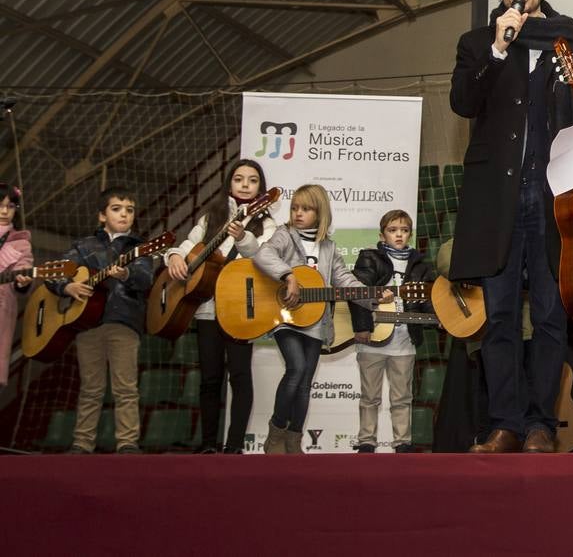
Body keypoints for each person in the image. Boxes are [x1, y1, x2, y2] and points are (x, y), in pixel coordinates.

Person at [449, 0, 573, 453]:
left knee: (548, 315)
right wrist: (499, 50)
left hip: (555, 204)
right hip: (496, 205)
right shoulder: (479, 43)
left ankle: (541, 424)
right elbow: (462, 102)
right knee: (497, 317)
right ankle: (505, 424)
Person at [251, 184, 387, 454]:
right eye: (295, 208)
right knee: (296, 369)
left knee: (304, 383)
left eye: (306, 209)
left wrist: (372, 297)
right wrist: (288, 275)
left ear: (320, 212)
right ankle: (276, 432)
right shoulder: (284, 235)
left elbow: (345, 281)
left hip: (315, 321)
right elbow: (262, 254)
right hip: (285, 319)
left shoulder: (328, 247)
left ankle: (294, 439)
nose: (298, 213)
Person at [162, 159, 275, 453]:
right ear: (229, 184)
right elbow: (189, 244)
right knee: (210, 377)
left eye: (252, 180)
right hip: (207, 307)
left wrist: (245, 238)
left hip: (241, 308)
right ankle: (208, 444)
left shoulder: (268, 223)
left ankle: (235, 446)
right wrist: (174, 255)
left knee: (239, 374)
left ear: (261, 189)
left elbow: (264, 258)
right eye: (239, 179)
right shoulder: (211, 216)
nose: (245, 185)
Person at [49, 186, 151, 453]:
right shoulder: (84, 247)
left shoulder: (138, 247)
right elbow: (54, 273)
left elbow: (145, 279)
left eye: (129, 210)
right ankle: (82, 443)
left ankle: (127, 443)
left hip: (124, 322)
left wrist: (126, 275)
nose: (124, 215)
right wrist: (67, 287)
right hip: (88, 324)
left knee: (125, 386)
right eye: (116, 209)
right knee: (91, 387)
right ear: (102, 216)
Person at [347, 209, 435, 454]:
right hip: (372, 340)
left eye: (404, 230)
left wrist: (436, 318)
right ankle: (366, 441)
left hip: (404, 341)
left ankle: (402, 442)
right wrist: (363, 326)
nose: (399, 235)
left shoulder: (420, 265)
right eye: (393, 230)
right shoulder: (369, 258)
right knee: (369, 396)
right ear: (382, 234)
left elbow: (428, 298)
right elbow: (357, 292)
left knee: (402, 396)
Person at [0, 182, 32, 391]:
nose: (4, 211)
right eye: (0, 205)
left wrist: (23, 282)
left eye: (10, 206)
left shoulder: (21, 243)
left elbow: (24, 268)